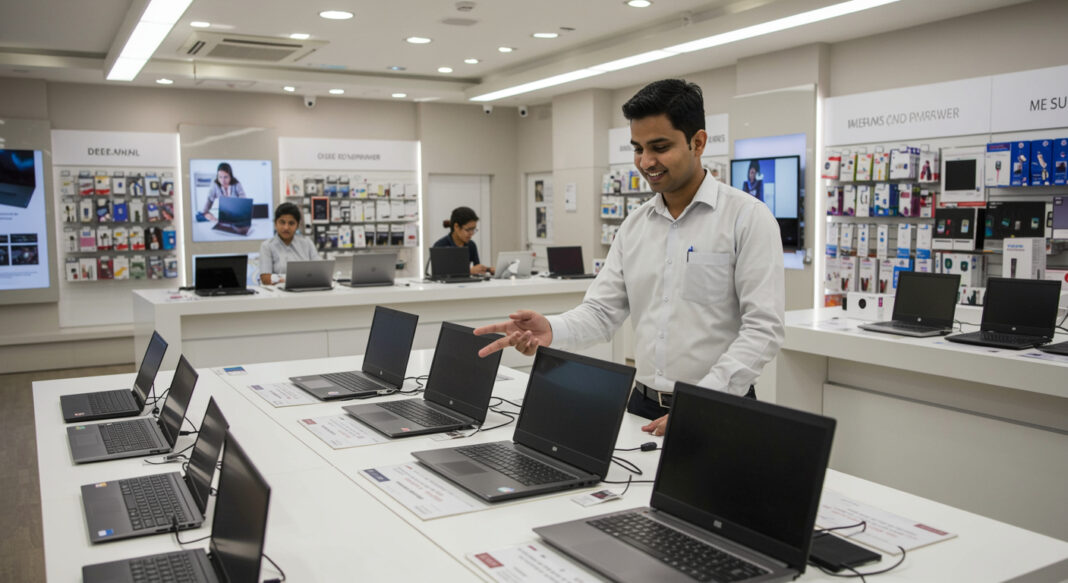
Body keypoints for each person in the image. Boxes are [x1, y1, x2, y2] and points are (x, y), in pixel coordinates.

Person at [475, 79, 785, 436]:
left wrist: (704, 399)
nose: (645, 162)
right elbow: (602, 313)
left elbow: (764, 328)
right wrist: (552, 330)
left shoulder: (747, 217)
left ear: (697, 142)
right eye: (638, 148)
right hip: (642, 407)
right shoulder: (636, 225)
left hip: (719, 407)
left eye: (660, 147)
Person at [259, 202, 318, 284]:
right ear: (275, 223)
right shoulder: (267, 246)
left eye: (291, 223)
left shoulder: (307, 243)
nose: (286, 227)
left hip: (305, 291)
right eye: (282, 222)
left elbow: (319, 271)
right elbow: (265, 278)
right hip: (277, 294)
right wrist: (298, 279)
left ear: (297, 225)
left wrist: (279, 278)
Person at [433, 206, 493, 275]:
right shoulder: (440, 246)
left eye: (473, 229)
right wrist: (469, 271)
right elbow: (439, 275)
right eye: (468, 230)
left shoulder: (471, 245)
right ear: (456, 227)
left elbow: (477, 269)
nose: (472, 233)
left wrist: (488, 270)